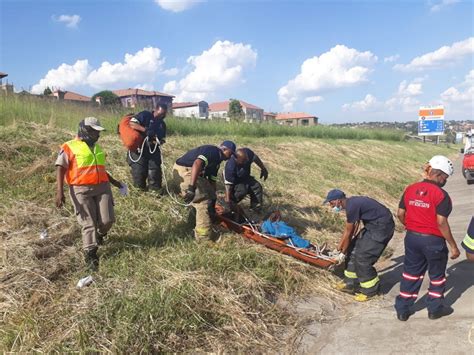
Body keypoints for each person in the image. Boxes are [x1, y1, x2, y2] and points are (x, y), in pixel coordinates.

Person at [395, 155, 460, 321]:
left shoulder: (410, 189)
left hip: (412, 238)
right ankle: (434, 309)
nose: (446, 180)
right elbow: (441, 222)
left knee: (410, 274)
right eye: (445, 177)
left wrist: (409, 226)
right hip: (433, 241)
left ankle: (402, 309)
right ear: (439, 175)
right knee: (437, 276)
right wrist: (453, 245)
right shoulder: (441, 195)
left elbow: (400, 213)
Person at [55, 117, 125, 271]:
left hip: (102, 187)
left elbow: (100, 169)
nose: (97, 135)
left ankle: (100, 235)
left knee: (108, 220)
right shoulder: (69, 147)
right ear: (85, 130)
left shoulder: (97, 148)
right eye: (94, 131)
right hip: (81, 190)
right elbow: (60, 168)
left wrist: (115, 182)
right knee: (88, 224)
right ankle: (91, 254)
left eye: (98, 132)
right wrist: (60, 192)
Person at [323, 189, 395, 302]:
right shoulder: (351, 204)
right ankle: (350, 283)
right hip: (372, 226)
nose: (331, 206)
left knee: (363, 257)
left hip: (382, 228)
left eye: (331, 203)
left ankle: (370, 290)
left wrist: (341, 253)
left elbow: (348, 232)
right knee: (352, 250)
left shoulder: (352, 206)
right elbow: (354, 227)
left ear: (338, 201)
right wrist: (339, 249)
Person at [173, 141, 236, 240]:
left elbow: (212, 180)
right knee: (203, 201)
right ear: (224, 149)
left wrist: (213, 197)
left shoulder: (217, 161)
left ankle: (195, 223)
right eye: (231, 153)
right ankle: (203, 237)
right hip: (185, 171)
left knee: (208, 196)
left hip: (189, 171)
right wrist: (191, 188)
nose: (231, 156)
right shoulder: (213, 152)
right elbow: (197, 163)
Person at [127, 104, 167, 192]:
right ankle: (139, 191)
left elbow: (162, 139)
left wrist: (157, 141)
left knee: (155, 171)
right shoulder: (145, 115)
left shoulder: (162, 124)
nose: (161, 116)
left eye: (163, 115)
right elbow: (132, 123)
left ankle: (155, 192)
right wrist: (145, 130)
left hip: (153, 150)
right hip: (139, 150)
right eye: (160, 114)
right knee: (139, 171)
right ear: (155, 110)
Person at [223, 147, 268, 212]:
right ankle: (231, 205)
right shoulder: (230, 167)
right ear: (236, 159)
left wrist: (263, 168)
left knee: (257, 186)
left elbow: (255, 158)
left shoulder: (247, 153)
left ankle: (255, 209)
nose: (246, 162)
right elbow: (228, 185)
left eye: (246, 160)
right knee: (242, 190)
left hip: (245, 177)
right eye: (243, 161)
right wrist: (227, 200)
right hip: (235, 181)